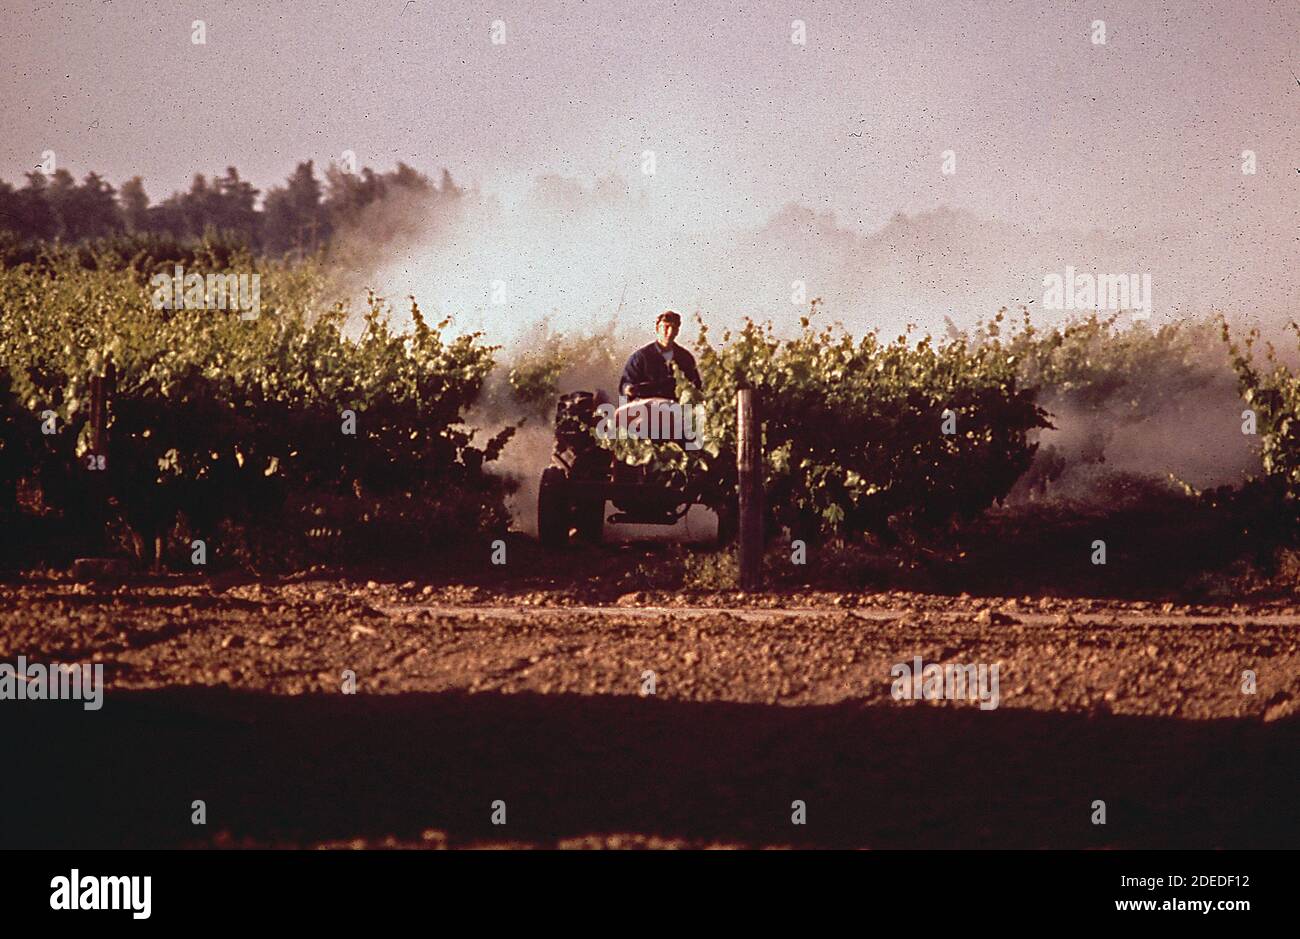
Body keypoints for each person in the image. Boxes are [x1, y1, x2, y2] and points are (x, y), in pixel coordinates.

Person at [618, 310, 701, 400]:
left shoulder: (685, 358)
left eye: (674, 328)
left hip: (678, 409)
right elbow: (625, 386)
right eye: (666, 327)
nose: (670, 332)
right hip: (647, 409)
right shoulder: (640, 358)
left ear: (677, 331)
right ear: (657, 329)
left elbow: (696, 387)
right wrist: (628, 389)